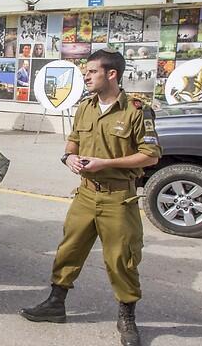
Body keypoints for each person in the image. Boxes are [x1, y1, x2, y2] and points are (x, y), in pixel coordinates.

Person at [19, 49, 161, 346]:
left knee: (122, 259)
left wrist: (105, 164)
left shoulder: (136, 110)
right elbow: (73, 142)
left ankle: (127, 317)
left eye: (92, 72)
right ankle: (56, 304)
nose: (86, 76)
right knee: (68, 250)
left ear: (112, 74)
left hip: (118, 199)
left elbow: (150, 156)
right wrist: (68, 158)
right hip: (85, 195)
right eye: (86, 72)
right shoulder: (85, 106)